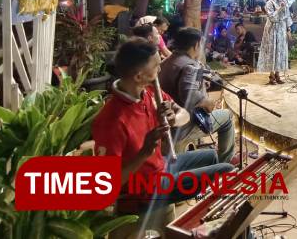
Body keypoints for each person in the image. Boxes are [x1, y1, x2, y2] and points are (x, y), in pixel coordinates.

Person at [92, 38, 233, 215]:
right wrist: (143, 154)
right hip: (143, 189)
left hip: (161, 166)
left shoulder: (147, 92)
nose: (160, 70)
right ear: (138, 76)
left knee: (211, 156)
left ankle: (206, 214)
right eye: (156, 66)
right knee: (227, 171)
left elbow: (185, 115)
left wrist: (174, 118)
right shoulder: (111, 120)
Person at [159, 27, 237, 164]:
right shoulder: (190, 66)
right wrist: (206, 102)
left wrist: (202, 85)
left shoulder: (167, 61)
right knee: (227, 117)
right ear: (196, 45)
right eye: (201, 44)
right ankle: (225, 162)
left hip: (167, 123)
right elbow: (189, 96)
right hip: (183, 126)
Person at [256, 0, 292, 85]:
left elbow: (287, 16)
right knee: (273, 51)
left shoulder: (284, 1)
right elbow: (272, 17)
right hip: (272, 30)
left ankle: (277, 74)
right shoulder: (269, 3)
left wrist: (289, 29)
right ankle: (271, 76)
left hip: (281, 29)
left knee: (280, 51)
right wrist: (280, 9)